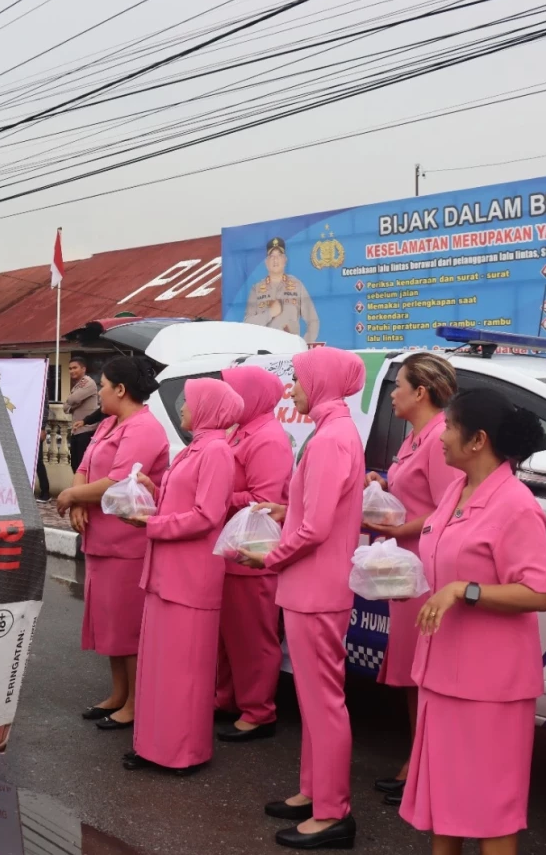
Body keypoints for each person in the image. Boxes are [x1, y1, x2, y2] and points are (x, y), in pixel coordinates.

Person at [399, 388, 546, 855]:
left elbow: (538, 593)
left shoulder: (517, 504)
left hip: (490, 687)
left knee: (490, 812)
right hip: (444, 673)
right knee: (446, 804)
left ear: (477, 440)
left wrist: (464, 591)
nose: (440, 437)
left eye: (449, 427)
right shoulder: (456, 489)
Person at [238, 346, 365, 850]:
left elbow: (314, 528)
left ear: (323, 383)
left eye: (297, 380)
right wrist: (281, 507)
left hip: (317, 587)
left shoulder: (333, 437)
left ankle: (333, 812)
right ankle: (315, 792)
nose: (291, 389)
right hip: (312, 585)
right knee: (316, 703)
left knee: (324, 703)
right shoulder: (329, 431)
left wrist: (266, 558)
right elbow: (309, 509)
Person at [121, 378, 242, 775]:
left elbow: (208, 515)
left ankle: (181, 752)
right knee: (158, 666)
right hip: (167, 572)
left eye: (188, 402)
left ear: (208, 407)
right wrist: (153, 492)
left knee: (184, 670)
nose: (182, 408)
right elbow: (182, 502)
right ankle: (153, 745)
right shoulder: (196, 447)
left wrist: (153, 524)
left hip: (190, 576)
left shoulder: (218, 452)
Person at [362, 353, 461, 805]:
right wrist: (382, 484)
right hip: (404, 564)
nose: (393, 393)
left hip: (424, 566)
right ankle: (418, 758)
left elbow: (448, 512)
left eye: (399, 385)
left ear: (421, 392)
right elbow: (412, 491)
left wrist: (397, 528)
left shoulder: (440, 436)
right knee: (410, 671)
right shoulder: (415, 437)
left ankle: (424, 764)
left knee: (422, 672)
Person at [57, 357, 169, 729]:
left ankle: (135, 703)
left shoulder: (144, 428)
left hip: (127, 542)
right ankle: (118, 694)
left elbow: (118, 482)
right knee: (109, 624)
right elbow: (85, 467)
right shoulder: (108, 423)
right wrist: (77, 498)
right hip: (101, 539)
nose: (99, 391)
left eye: (103, 385)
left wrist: (73, 498)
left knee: (128, 627)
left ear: (120, 390)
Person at [214, 366, 292, 743]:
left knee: (253, 637)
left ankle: (259, 711)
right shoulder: (241, 431)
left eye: (233, 392)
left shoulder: (268, 438)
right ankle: (229, 699)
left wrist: (217, 497)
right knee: (230, 636)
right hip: (234, 549)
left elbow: (268, 500)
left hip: (255, 552)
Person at [244, 237, 319, 343]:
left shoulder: (297, 286)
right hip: (264, 351)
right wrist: (269, 313)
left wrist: (303, 345)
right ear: (266, 262)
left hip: (289, 352)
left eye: (279, 256)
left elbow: (313, 321)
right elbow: (247, 324)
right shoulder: (256, 289)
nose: (275, 260)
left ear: (285, 260)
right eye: (272, 256)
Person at [63, 356, 100, 473]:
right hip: (77, 431)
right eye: (70, 368)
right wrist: (73, 403)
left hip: (87, 430)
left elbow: (73, 398)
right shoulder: (78, 385)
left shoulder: (88, 382)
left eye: (75, 367)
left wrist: (72, 403)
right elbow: (65, 407)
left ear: (83, 369)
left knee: (83, 467)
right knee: (75, 465)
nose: (72, 371)